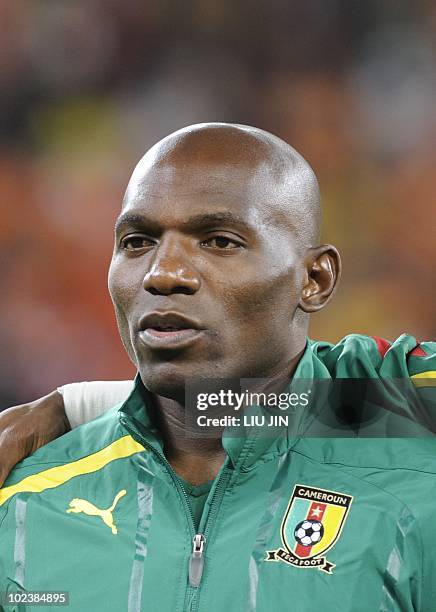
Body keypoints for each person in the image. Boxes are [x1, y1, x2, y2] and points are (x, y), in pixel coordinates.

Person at [0, 123, 435, 612]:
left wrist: (78, 403)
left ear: (314, 278)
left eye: (220, 241)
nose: (162, 273)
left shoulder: (417, 491)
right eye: (137, 241)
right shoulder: (23, 499)